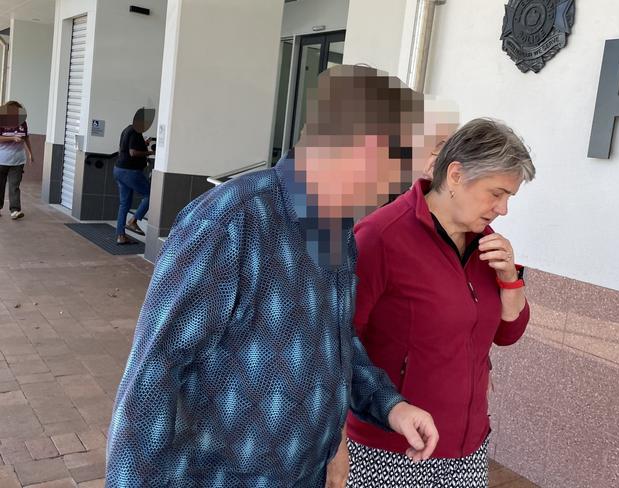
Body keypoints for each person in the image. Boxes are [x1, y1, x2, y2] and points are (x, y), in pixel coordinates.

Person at [106, 65, 440, 487]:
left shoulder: (341, 232)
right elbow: (153, 376)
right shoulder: (232, 220)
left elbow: (336, 342)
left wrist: (390, 405)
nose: (406, 177)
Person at [332, 118, 536, 487]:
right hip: (391, 449)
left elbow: (506, 334)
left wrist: (510, 280)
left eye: (509, 197)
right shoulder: (380, 237)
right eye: (496, 193)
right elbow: (336, 344)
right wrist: (335, 445)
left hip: (467, 447)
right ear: (456, 175)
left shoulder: (486, 245)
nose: (503, 209)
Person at [114, 107, 155, 244]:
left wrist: (144, 144)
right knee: (150, 195)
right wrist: (150, 153)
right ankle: (133, 220)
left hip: (119, 170)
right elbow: (132, 152)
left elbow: (124, 148)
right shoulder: (136, 132)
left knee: (124, 204)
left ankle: (120, 236)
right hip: (130, 171)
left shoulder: (127, 129)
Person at [0, 101, 34, 220]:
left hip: (18, 161)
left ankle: (15, 210)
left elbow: (26, 138)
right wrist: (12, 138)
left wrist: (30, 153)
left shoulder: (23, 123)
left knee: (14, 186)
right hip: (2, 160)